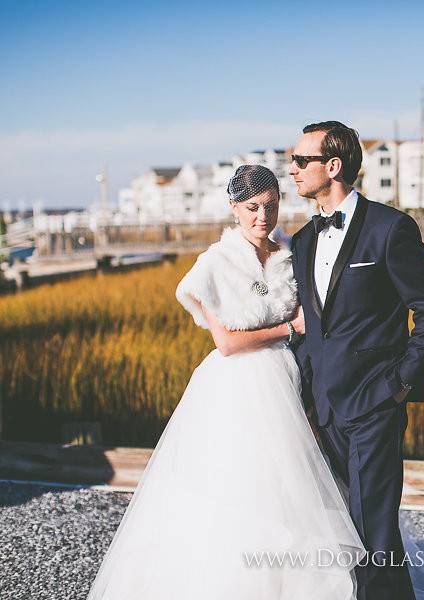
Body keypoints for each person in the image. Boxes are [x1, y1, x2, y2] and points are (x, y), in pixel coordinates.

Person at [86, 165, 366, 599]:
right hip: (238, 388)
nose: (262, 217)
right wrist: (291, 329)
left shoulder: (292, 253)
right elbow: (228, 344)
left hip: (292, 381)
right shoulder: (212, 265)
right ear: (234, 208)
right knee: (240, 482)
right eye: (252, 207)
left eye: (271, 206)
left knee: (297, 484)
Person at [288, 121, 424, 600]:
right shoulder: (302, 241)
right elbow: (311, 326)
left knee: (372, 526)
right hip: (323, 407)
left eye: (300, 161)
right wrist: (305, 397)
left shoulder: (390, 228)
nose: (290, 170)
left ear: (332, 167)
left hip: (375, 400)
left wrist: (400, 383)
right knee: (349, 525)